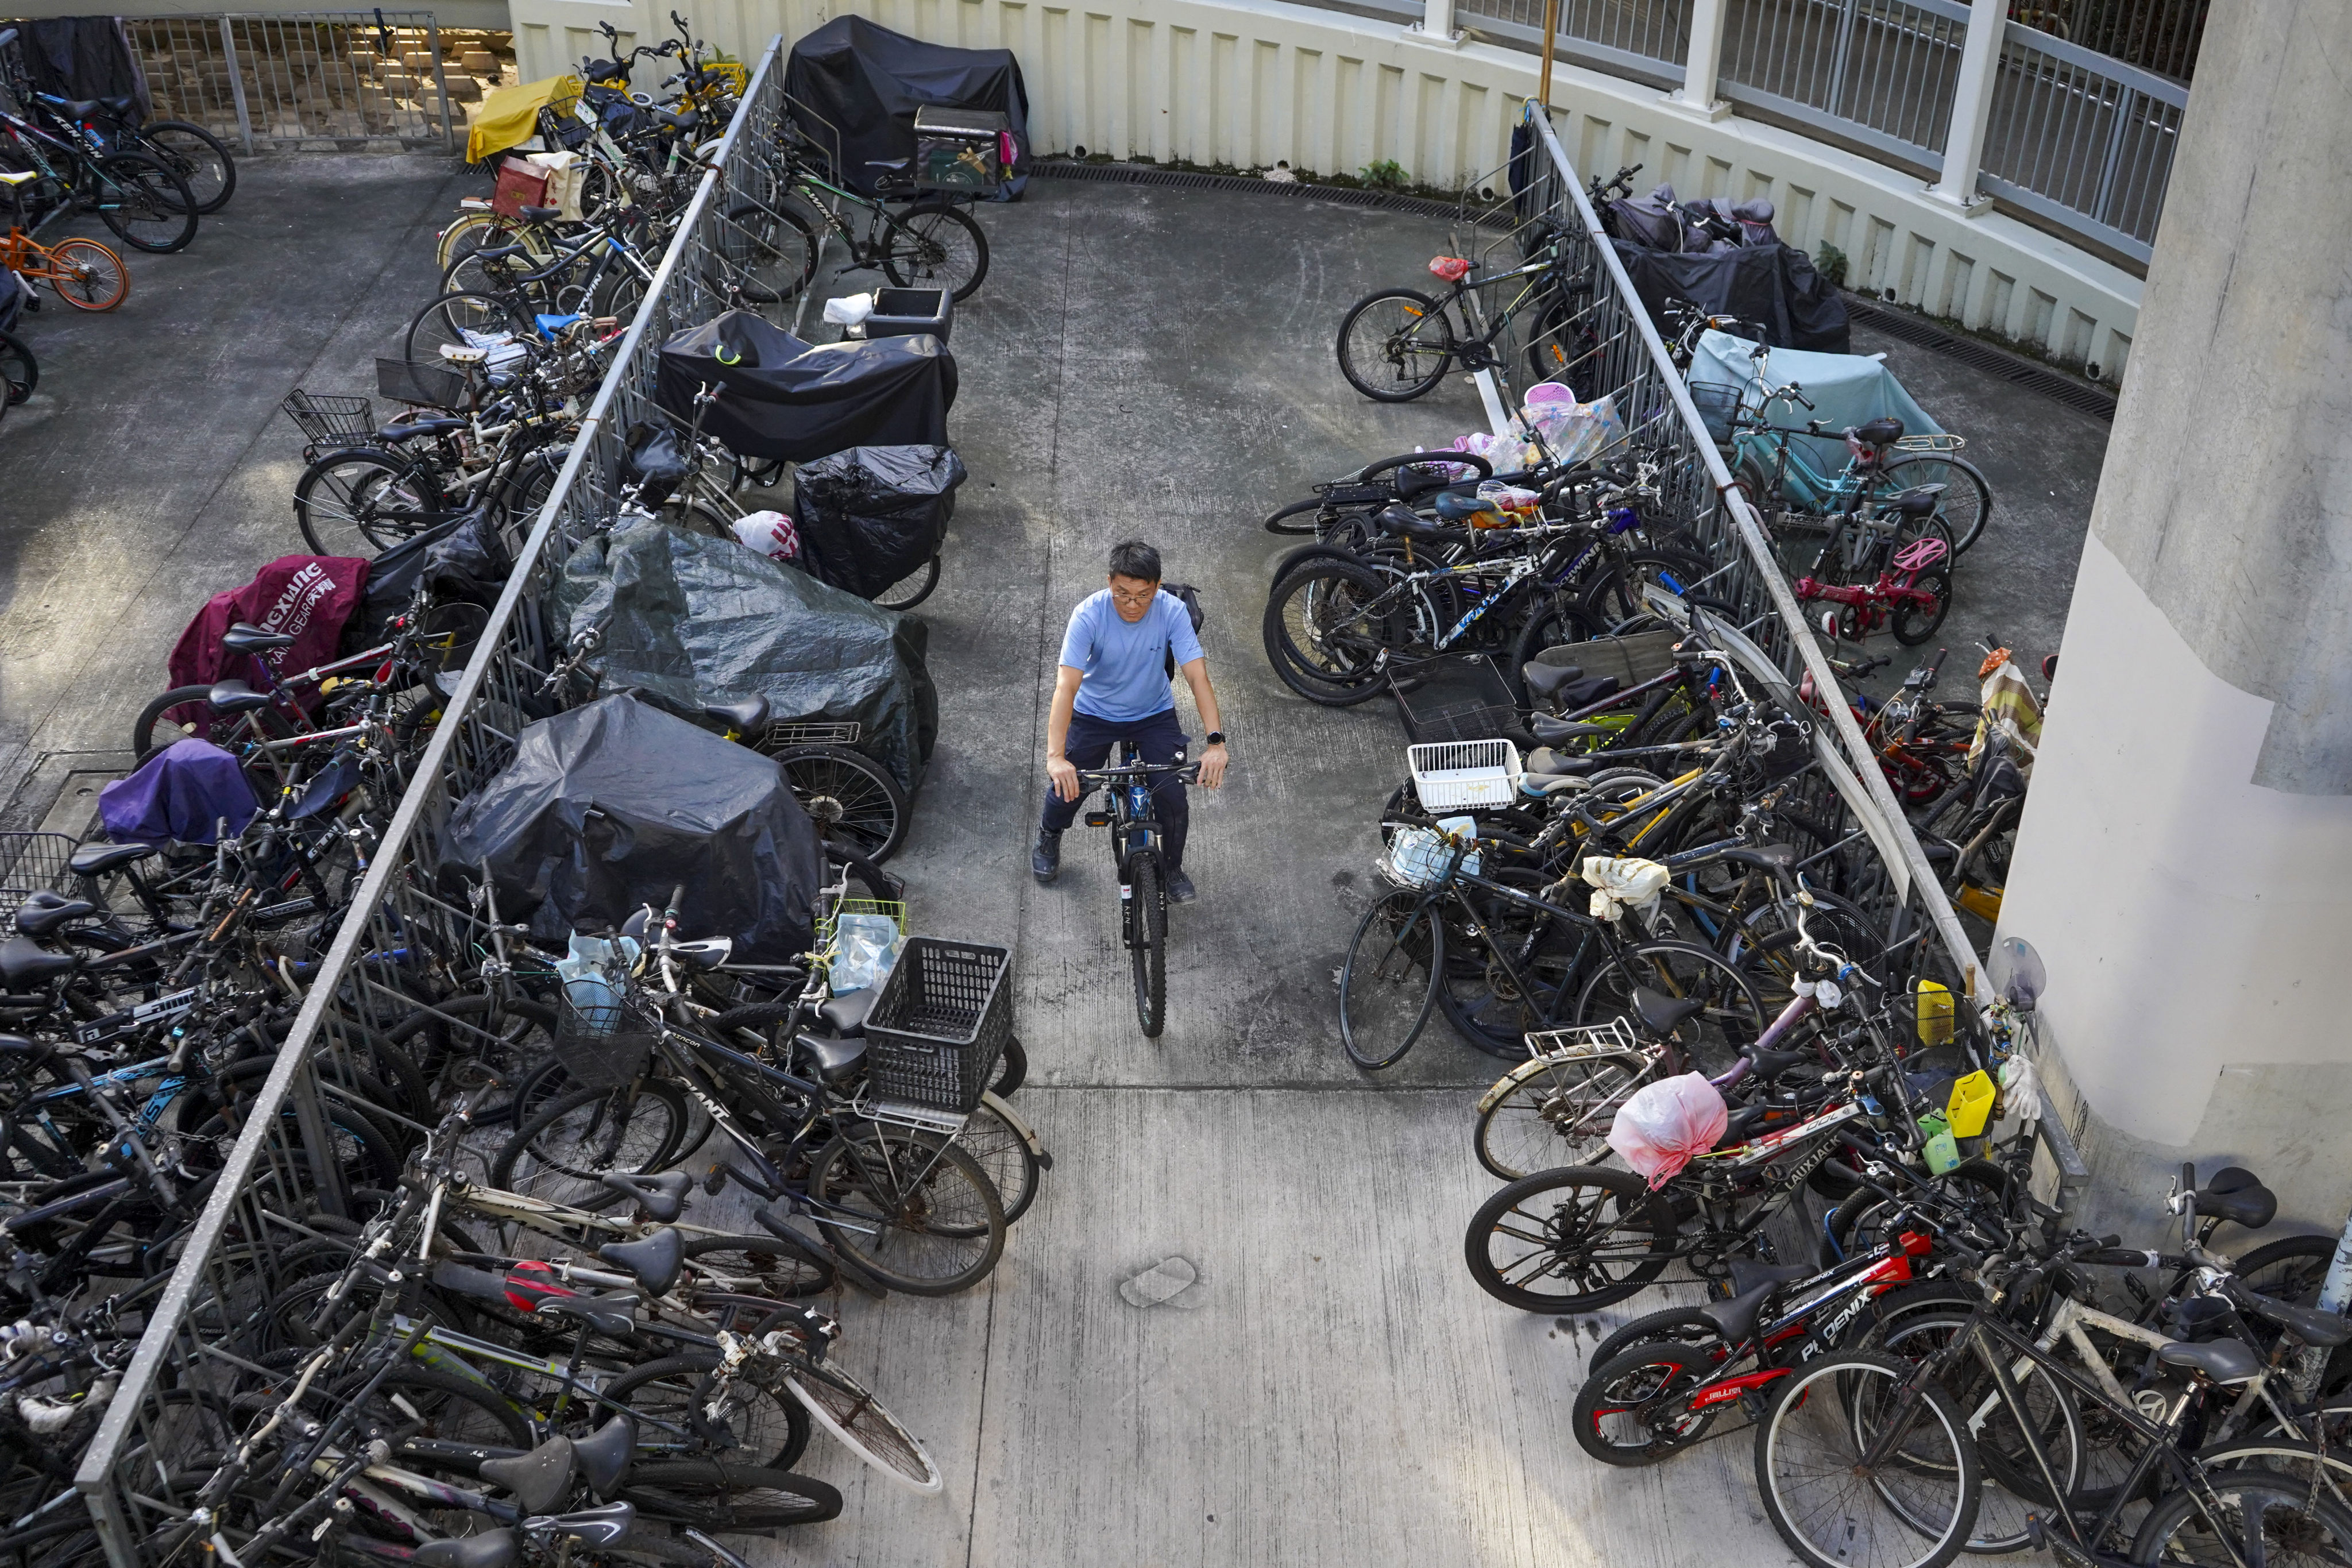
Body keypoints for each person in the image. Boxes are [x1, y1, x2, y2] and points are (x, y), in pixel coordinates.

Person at [1033, 539, 1229, 900]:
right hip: (1095, 715)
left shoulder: (1172, 611)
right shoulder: (1088, 615)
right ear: (1110, 583)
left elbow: (1197, 676)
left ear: (1157, 587)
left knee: (1172, 797)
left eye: (1143, 596)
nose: (1133, 605)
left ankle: (1171, 869)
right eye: (1122, 594)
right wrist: (1055, 757)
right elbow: (1066, 687)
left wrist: (1216, 743)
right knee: (1068, 786)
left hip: (1153, 714)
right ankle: (1049, 834)